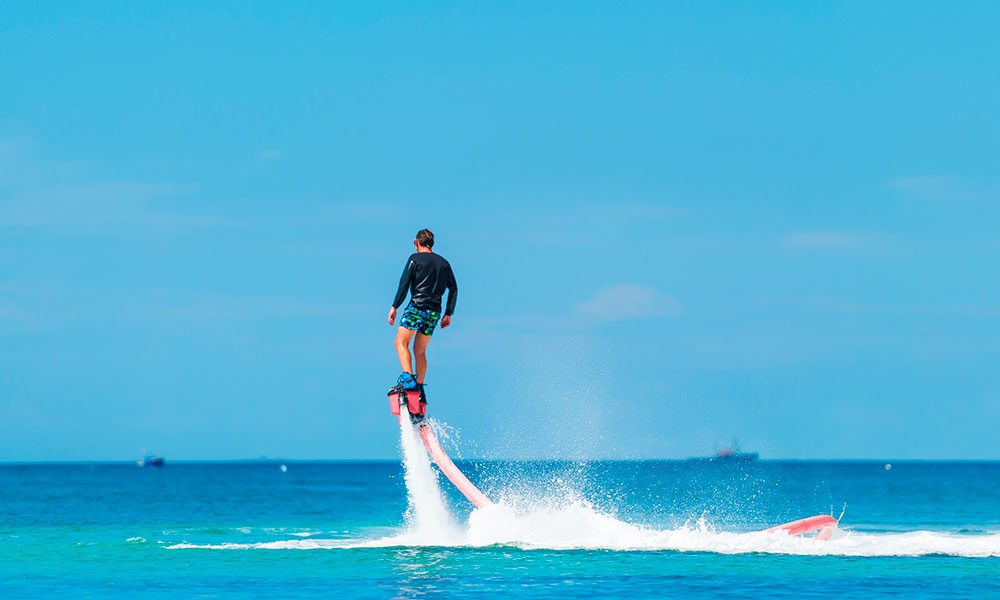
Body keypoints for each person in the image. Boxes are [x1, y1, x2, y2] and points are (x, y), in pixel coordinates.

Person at [387, 229, 457, 400]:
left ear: (416, 243)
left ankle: (408, 379)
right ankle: (420, 391)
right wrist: (448, 313)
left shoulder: (414, 259)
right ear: (432, 243)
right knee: (420, 350)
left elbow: (404, 283)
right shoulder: (444, 263)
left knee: (400, 342)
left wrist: (394, 306)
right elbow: (454, 288)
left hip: (417, 307)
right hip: (434, 312)